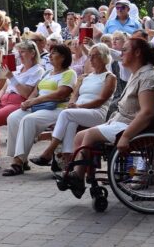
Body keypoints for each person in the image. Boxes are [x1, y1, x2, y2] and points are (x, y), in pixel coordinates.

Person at [63, 39, 154, 198]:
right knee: (80, 136)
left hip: (131, 126)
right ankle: (81, 177)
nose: (120, 54)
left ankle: (78, 176)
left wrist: (127, 136)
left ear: (137, 53)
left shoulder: (147, 77)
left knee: (90, 135)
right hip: (121, 120)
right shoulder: (137, 74)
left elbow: (147, 112)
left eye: (124, 50)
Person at [28, 44, 117, 174]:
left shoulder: (110, 77)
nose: (90, 59)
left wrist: (78, 107)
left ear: (104, 57)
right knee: (70, 121)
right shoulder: (84, 77)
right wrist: (72, 103)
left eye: (94, 56)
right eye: (90, 56)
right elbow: (74, 96)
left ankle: (49, 152)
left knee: (66, 115)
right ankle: (68, 163)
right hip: (78, 111)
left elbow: (101, 100)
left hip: (97, 113)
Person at [0, 40, 46, 172]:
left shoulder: (38, 71)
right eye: (19, 52)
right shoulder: (17, 69)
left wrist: (11, 77)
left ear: (32, 53)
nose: (19, 55)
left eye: (23, 52)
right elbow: (4, 89)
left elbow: (27, 93)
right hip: (3, 100)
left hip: (18, 102)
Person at [4, 44, 76, 169]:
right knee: (13, 117)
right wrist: (28, 102)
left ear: (63, 57)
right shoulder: (47, 72)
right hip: (39, 106)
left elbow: (60, 94)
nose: (49, 56)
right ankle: (22, 159)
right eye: (50, 53)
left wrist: (34, 101)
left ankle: (18, 161)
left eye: (53, 53)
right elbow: (36, 91)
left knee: (28, 120)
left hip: (57, 108)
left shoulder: (69, 73)